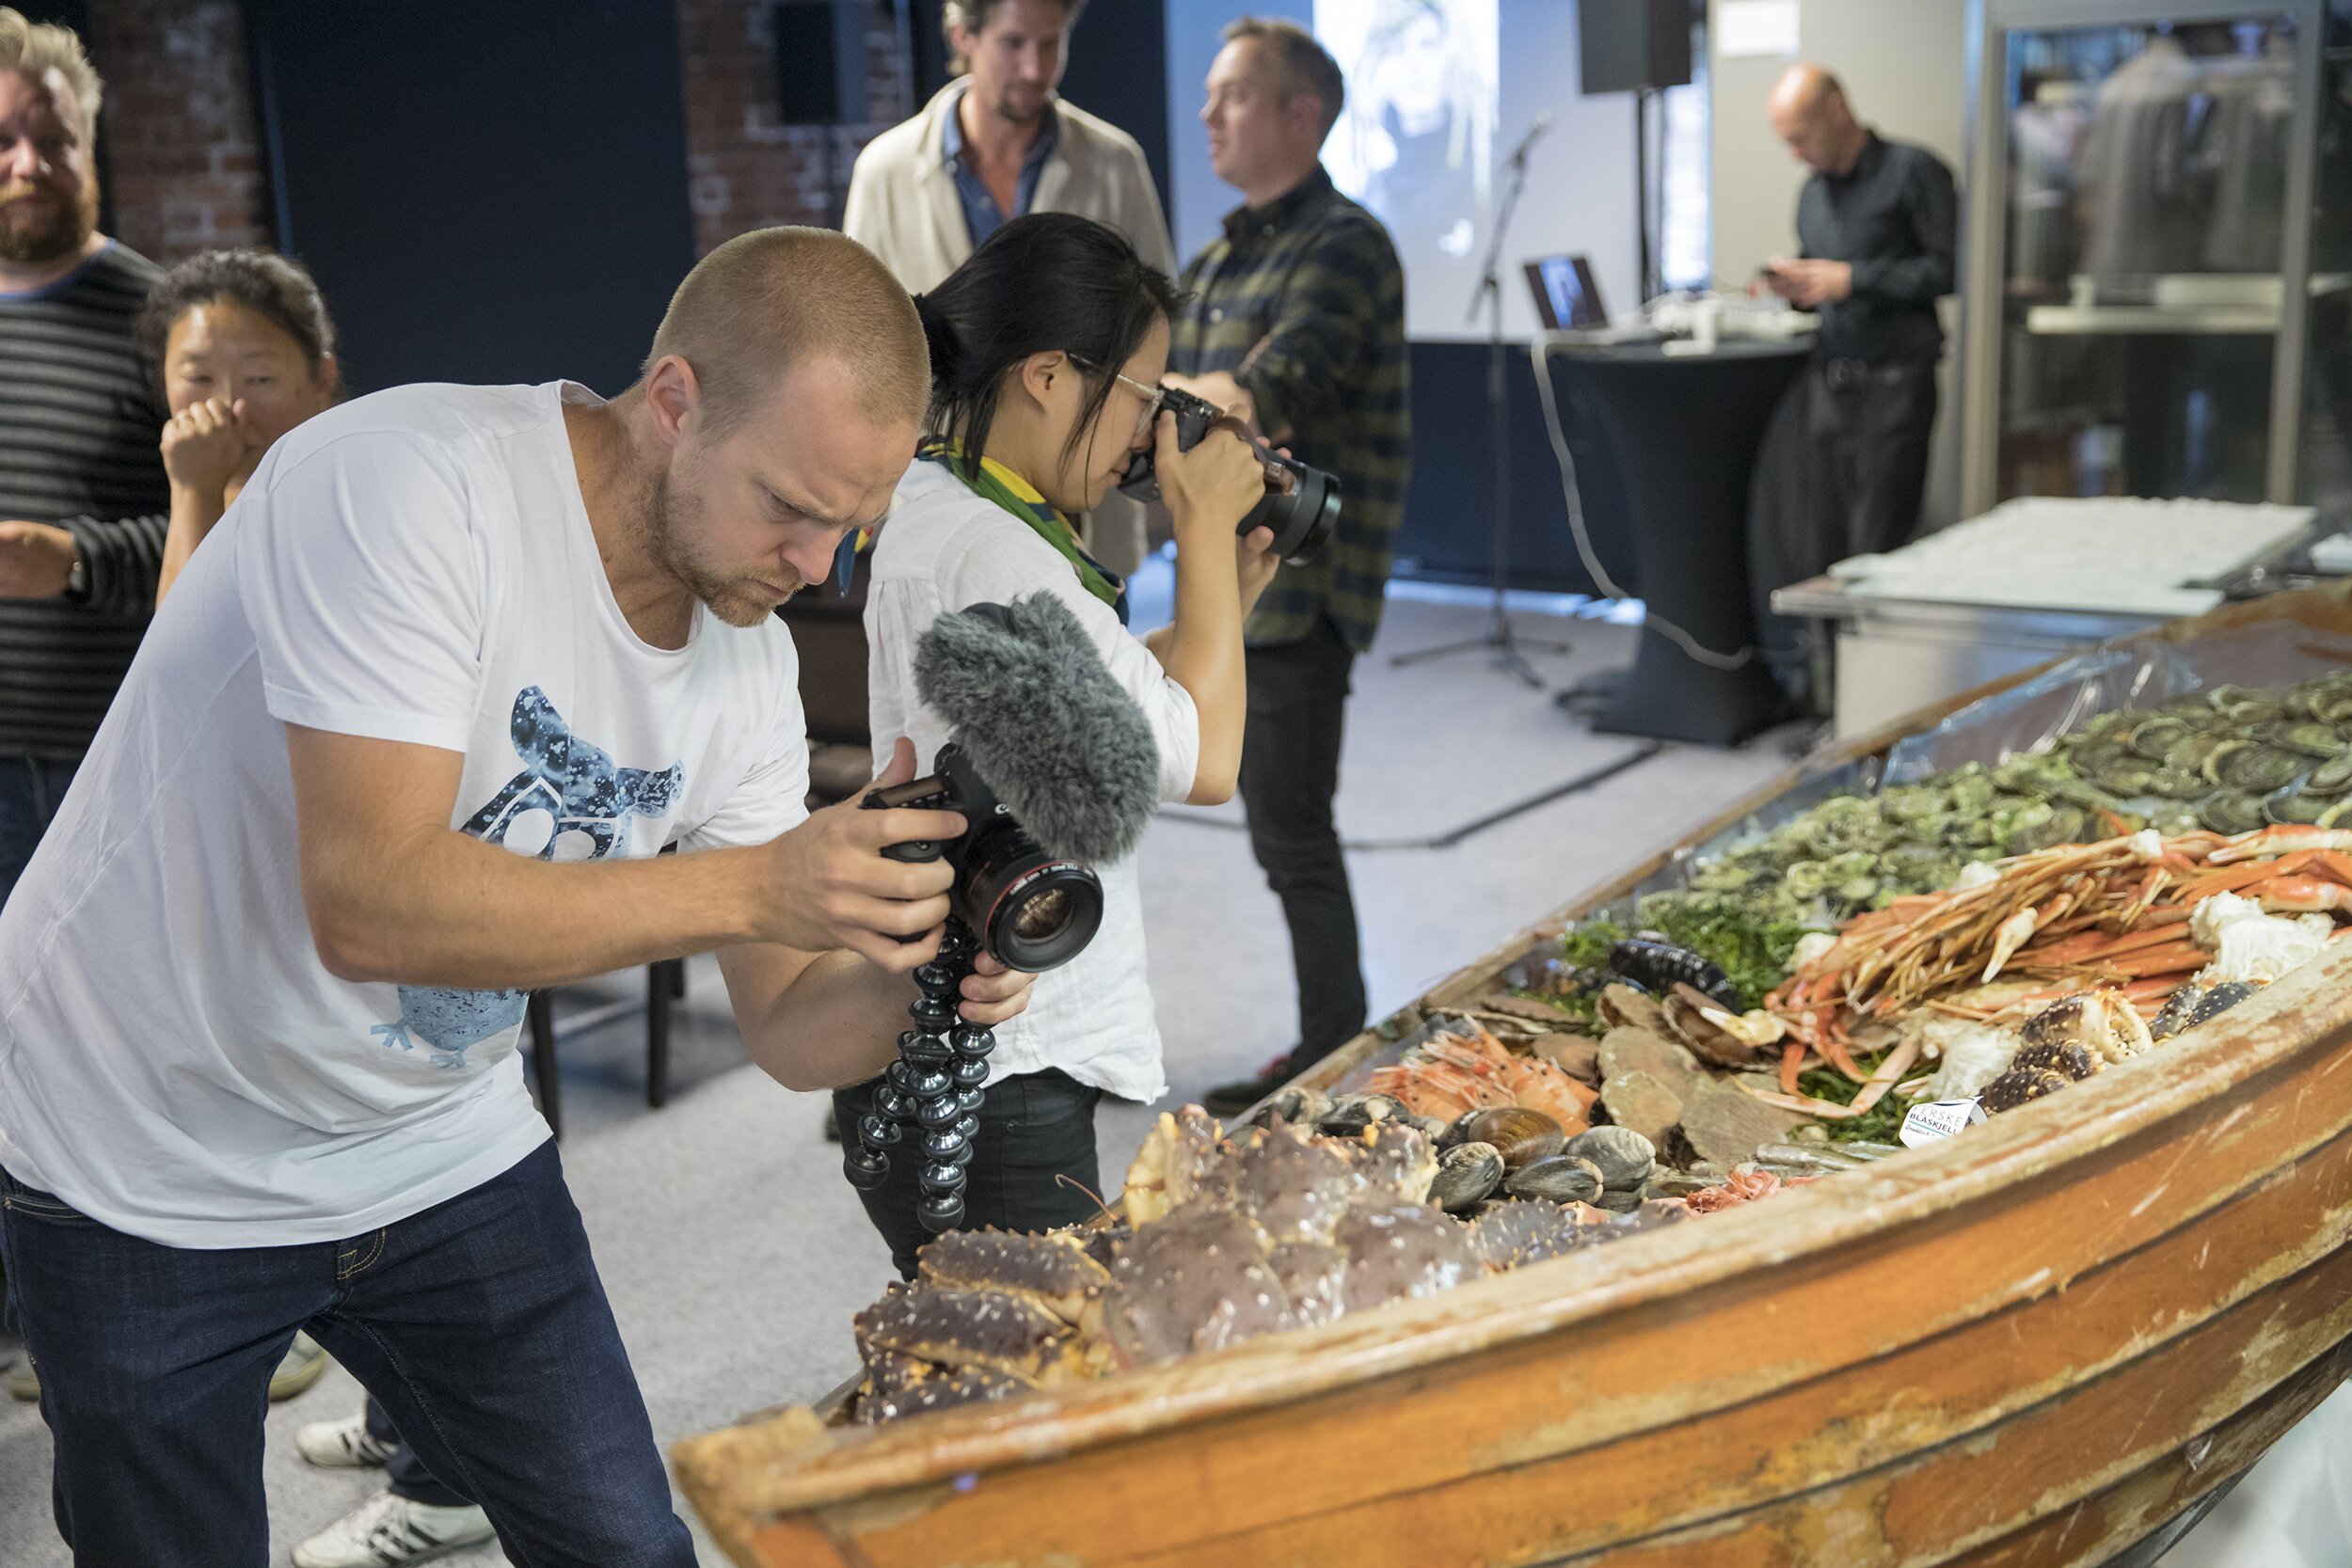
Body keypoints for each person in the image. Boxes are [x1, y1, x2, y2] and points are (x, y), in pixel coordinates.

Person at [0, 226, 1039, 1567]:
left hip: (432, 1136)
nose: (817, 564)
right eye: (790, 504)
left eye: (853, 524)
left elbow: (789, 1030)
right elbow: (370, 903)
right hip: (141, 1136)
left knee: (627, 1545)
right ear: (674, 401)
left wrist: (923, 970)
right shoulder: (405, 485)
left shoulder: (746, 668)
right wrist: (763, 883)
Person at [849, 213, 1277, 1275]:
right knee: (1032, 1359)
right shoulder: (995, 548)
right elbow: (1203, 765)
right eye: (1141, 392)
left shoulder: (946, 504)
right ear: (1048, 375)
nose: (1148, 432)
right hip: (1001, 1065)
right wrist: (1203, 532)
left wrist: (1220, 607)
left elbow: (1097, 701)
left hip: (986, 1042)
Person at [3, 246, 344, 1412]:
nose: (226, 405)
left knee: (312, 1110)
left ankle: (350, 1376)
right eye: (199, 376)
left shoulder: (313, 492)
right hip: (222, 829)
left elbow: (179, 647)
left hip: (305, 840)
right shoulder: (239, 493)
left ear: (322, 379)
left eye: (259, 375)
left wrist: (189, 492)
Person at [1168, 20, 1409, 1119]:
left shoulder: (1344, 246)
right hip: (1223, 583)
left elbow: (1247, 401)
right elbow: (1179, 412)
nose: (1208, 114)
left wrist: (1142, 404)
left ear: (1300, 114)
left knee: (1292, 832)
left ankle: (1333, 1055)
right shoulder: (1221, 259)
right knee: (1278, 827)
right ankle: (1330, 1042)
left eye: (1232, 95)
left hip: (1302, 587)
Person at [843, 0, 1171, 578]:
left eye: (1050, 44)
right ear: (962, 37)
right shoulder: (885, 170)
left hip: (1083, 505)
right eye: (1013, 43)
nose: (1033, 68)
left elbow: (1155, 322)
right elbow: (862, 349)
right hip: (939, 498)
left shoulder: (1115, 163)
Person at [0, 9, 168, 909]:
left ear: (88, 145)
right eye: (2, 141)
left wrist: (75, 560)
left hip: (103, 767)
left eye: (53, 140)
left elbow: (232, 535)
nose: (27, 165)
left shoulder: (168, 321)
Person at [1748, 64, 1957, 699]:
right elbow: (1821, 284)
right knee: (1822, 548)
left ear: (1838, 109)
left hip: (1896, 385)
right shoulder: (1812, 194)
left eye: (1801, 136)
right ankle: (1829, 703)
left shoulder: (1914, 171)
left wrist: (1853, 279)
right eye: (1786, 141)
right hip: (1828, 385)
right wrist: (1797, 287)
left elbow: (1952, 268)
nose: (1795, 153)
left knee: (1877, 552)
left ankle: (1876, 705)